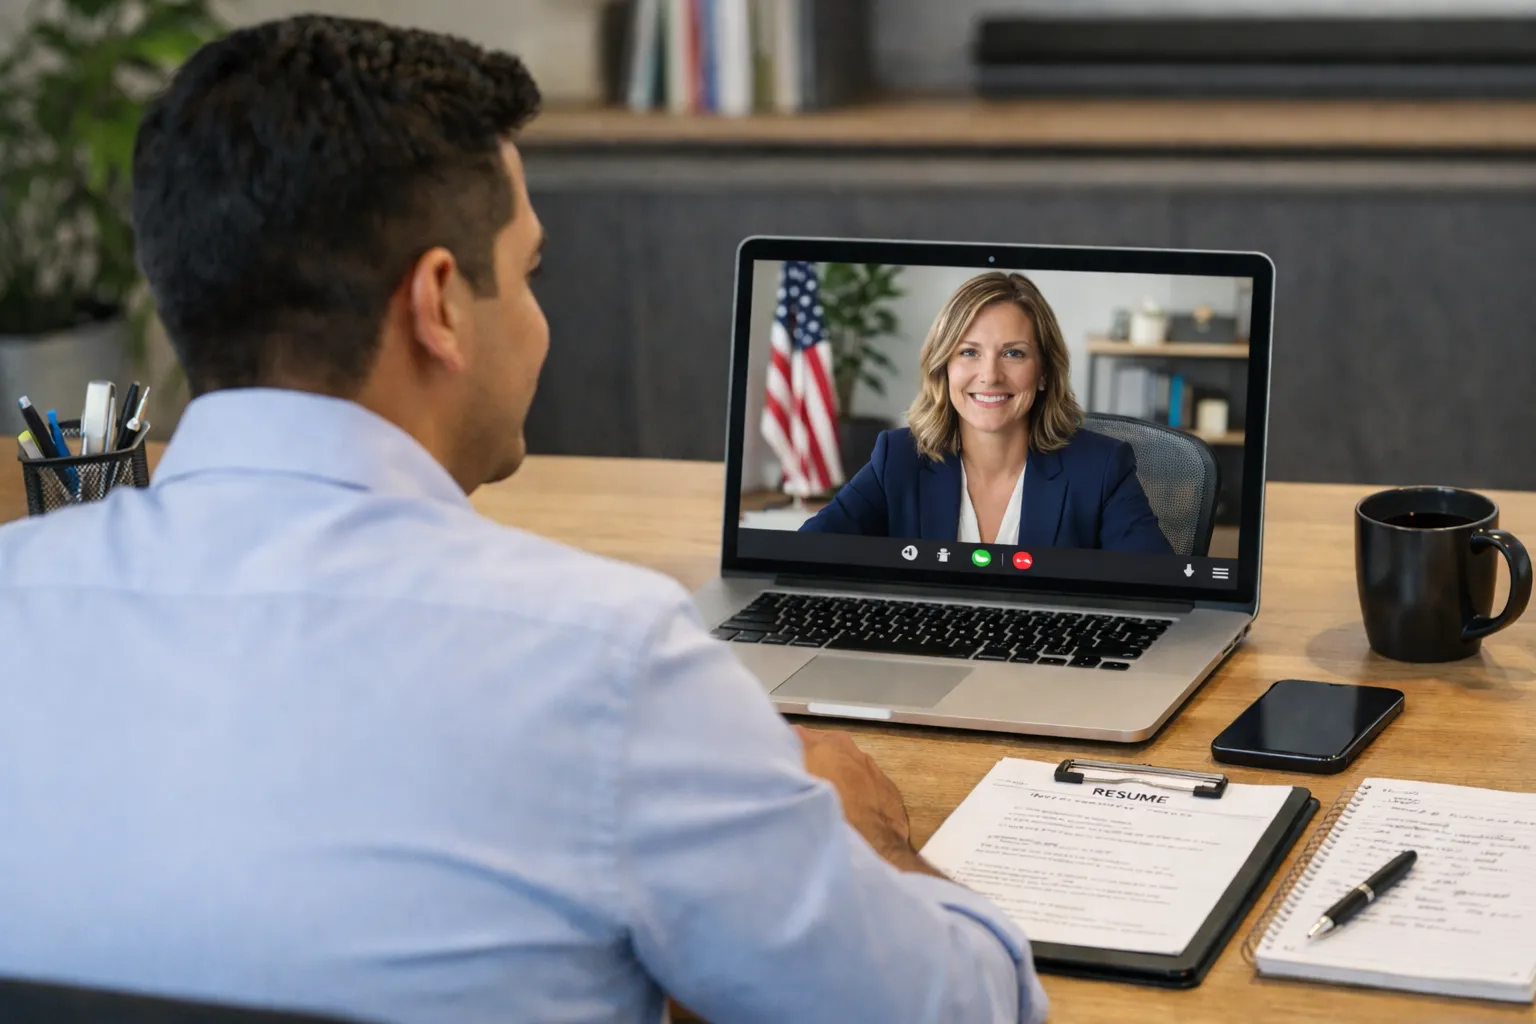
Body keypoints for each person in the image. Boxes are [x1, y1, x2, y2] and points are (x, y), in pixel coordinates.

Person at [0, 16, 1047, 1024]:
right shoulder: (606, 664)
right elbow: (964, 1007)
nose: (539, 315)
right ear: (441, 304)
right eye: (532, 270)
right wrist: (863, 837)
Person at [800, 272, 1173, 553]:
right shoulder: (897, 459)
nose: (990, 375)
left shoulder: (1102, 467)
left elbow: (1160, 587)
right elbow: (804, 555)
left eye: (1014, 353)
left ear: (1043, 372)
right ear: (943, 367)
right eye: (969, 352)